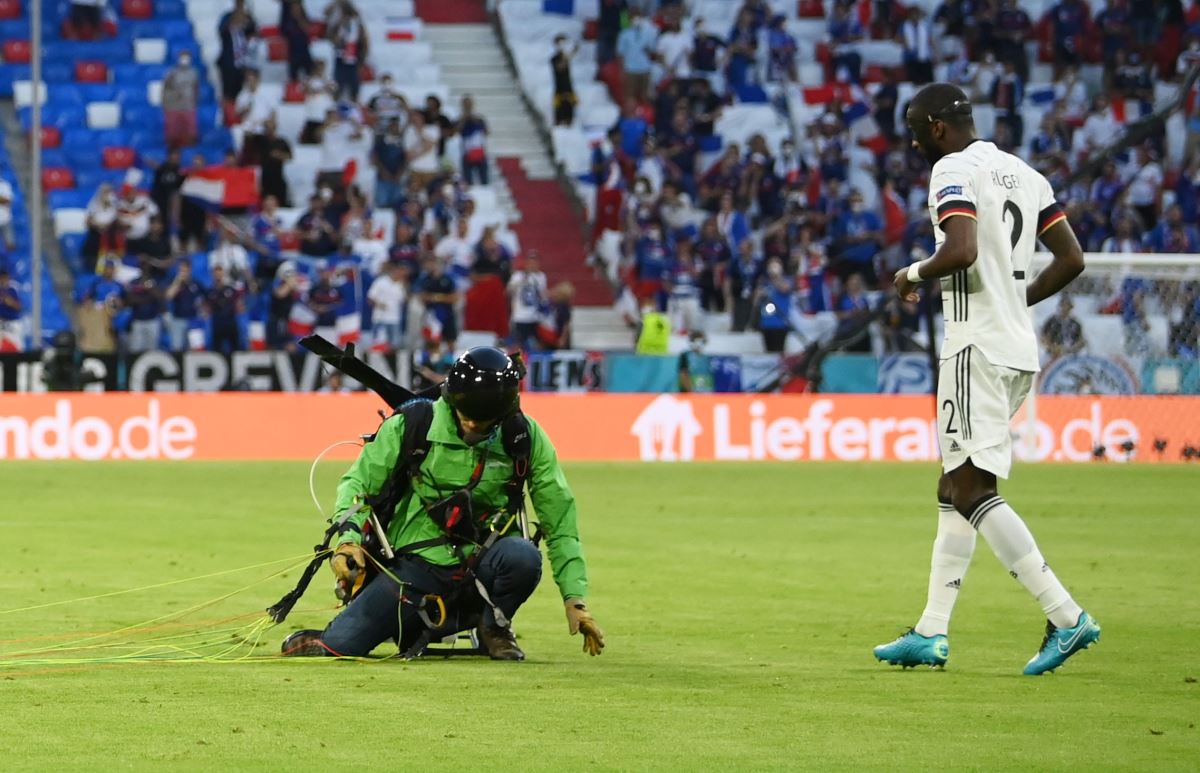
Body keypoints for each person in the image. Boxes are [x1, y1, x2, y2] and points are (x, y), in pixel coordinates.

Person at [881, 83, 1099, 676]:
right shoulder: (1026, 174)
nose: (916, 145)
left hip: (974, 346)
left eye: (916, 132)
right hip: (1015, 348)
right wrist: (1014, 299)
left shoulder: (952, 168)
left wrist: (911, 273)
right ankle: (931, 630)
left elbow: (961, 249)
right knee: (954, 485)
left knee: (974, 491)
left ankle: (1065, 614)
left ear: (937, 128)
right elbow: (1073, 258)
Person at [281, 347, 605, 661]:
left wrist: (574, 599)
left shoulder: (524, 438)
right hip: (414, 564)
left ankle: (494, 627)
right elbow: (357, 484)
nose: (472, 428)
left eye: (483, 422)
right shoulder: (413, 423)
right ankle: (404, 624)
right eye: (466, 418)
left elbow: (559, 520)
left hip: (483, 558)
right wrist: (348, 541)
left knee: (523, 556)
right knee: (342, 645)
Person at [162, 50, 199, 150]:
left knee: (191, 134)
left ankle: (191, 152)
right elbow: (165, 88)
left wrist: (195, 101)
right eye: (183, 57)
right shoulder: (171, 73)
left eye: (186, 57)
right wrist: (166, 104)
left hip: (188, 106)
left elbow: (196, 88)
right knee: (172, 135)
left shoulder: (193, 73)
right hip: (173, 106)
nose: (185, 59)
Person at [368, 261, 407, 352]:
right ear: (394, 271)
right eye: (400, 271)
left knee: (394, 346)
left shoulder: (401, 285)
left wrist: (405, 287)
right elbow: (370, 298)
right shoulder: (380, 281)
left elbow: (403, 301)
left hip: (394, 319)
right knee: (378, 345)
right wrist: (379, 305)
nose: (401, 274)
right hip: (380, 318)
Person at [165, 260, 204, 351]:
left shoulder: (195, 282)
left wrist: (203, 309)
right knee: (177, 348)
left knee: (194, 349)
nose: (183, 272)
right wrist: (177, 282)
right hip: (178, 319)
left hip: (193, 319)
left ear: (189, 269)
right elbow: (169, 296)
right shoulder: (174, 281)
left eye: (184, 269)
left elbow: (205, 296)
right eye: (181, 269)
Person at [457, 96, 489, 186]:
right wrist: (464, 118)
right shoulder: (460, 119)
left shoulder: (479, 119)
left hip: (479, 151)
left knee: (484, 179)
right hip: (466, 152)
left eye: (469, 104)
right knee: (467, 180)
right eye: (466, 104)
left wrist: (474, 119)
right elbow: (457, 131)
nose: (468, 106)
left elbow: (486, 132)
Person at [1040, 294, 1085, 360]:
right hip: (1052, 355)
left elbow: (1081, 340)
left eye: (1068, 306)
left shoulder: (1075, 323)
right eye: (1063, 305)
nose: (1065, 309)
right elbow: (1043, 337)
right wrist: (1053, 348)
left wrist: (1072, 349)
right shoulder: (1052, 321)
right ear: (1060, 306)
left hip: (1071, 355)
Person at [550, 35, 578, 127]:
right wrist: (567, 56)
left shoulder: (567, 58)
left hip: (568, 87)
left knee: (569, 112)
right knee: (559, 112)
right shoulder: (554, 59)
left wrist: (572, 51)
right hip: (560, 89)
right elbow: (560, 67)